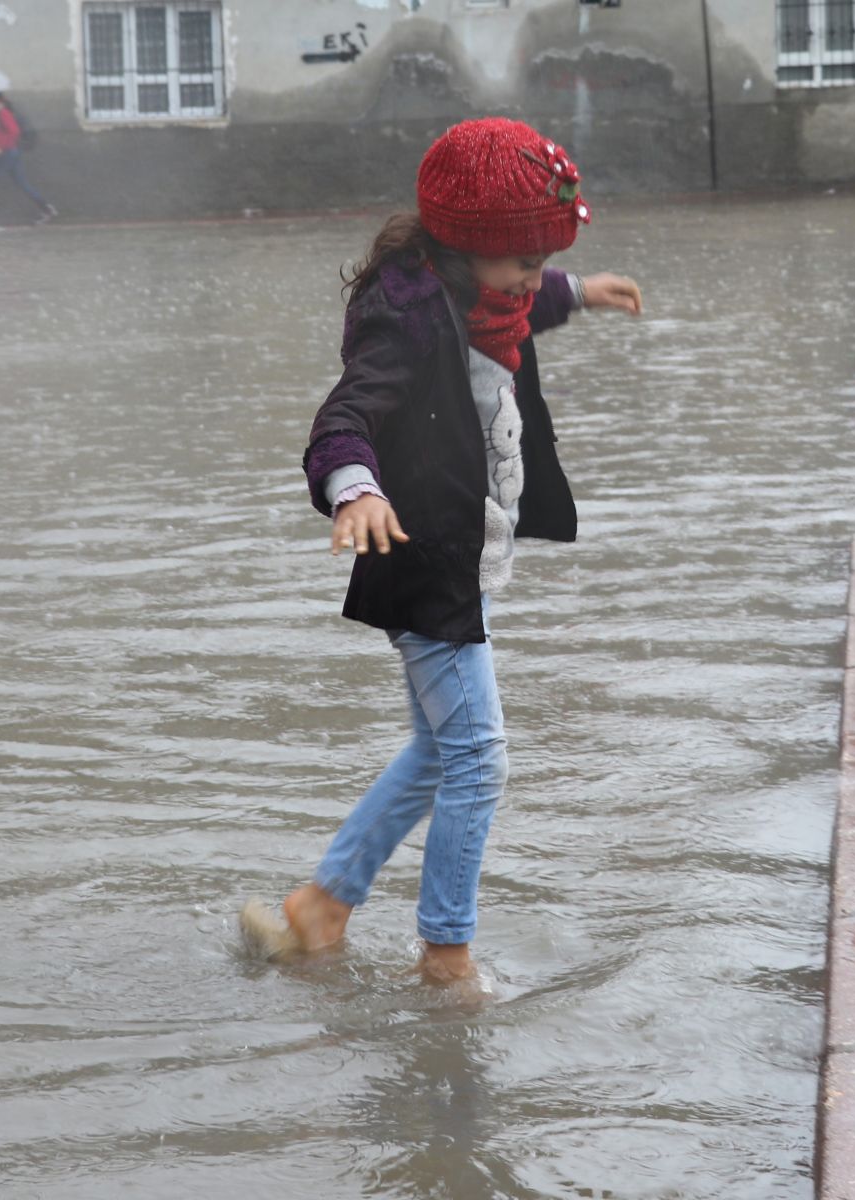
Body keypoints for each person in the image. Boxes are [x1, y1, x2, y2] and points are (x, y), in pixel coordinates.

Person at [240, 117, 642, 984]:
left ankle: (323, 905)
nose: (535, 277)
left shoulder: (481, 294)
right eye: (527, 260)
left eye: (546, 260)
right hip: (425, 557)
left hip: (465, 547)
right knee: (479, 757)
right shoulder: (409, 318)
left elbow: (522, 301)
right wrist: (356, 488)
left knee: (438, 749)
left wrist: (579, 291)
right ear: (466, 248)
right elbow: (345, 415)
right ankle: (446, 956)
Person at [0, 93, 56, 227]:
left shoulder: (3, 113)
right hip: (8, 152)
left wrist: (0, 147)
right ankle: (47, 209)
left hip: (7, 153)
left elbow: (14, 131)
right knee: (22, 183)